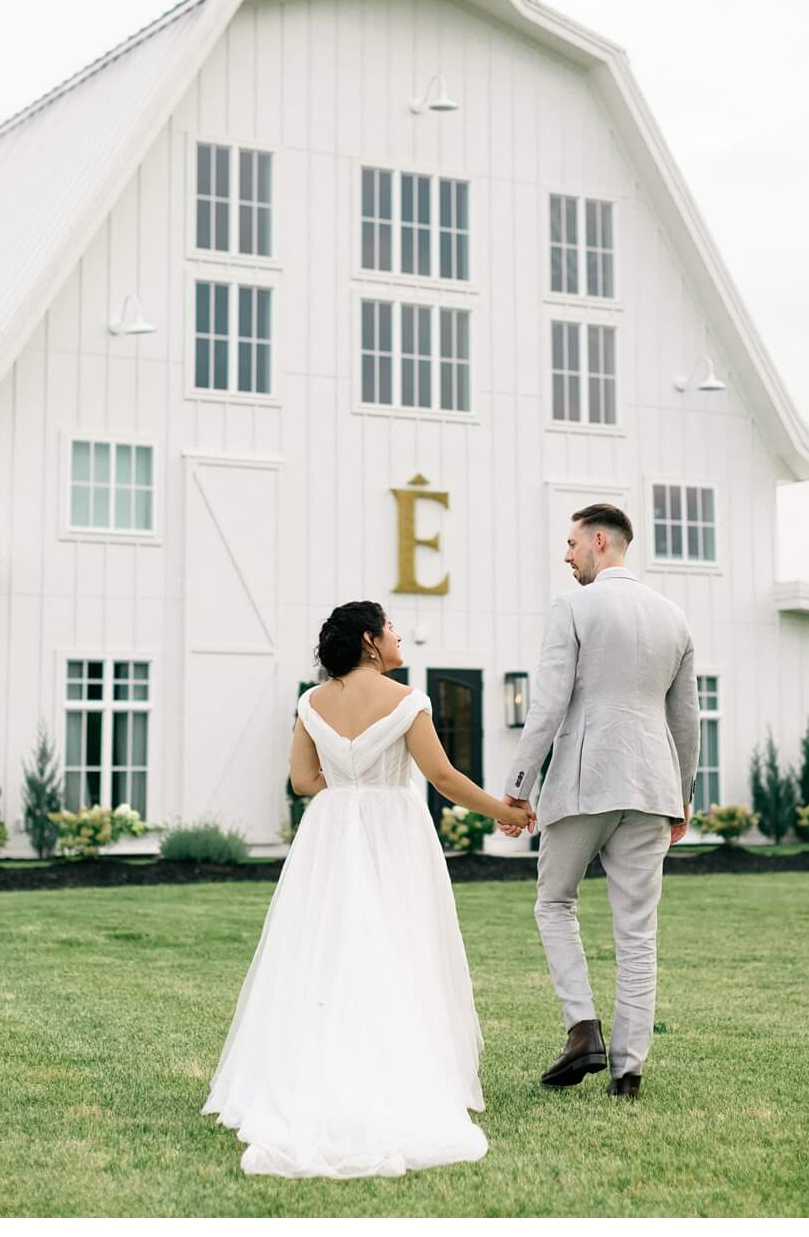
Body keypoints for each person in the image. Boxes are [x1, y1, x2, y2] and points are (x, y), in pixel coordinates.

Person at [202, 602, 529, 1178]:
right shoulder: (408, 701)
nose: (400, 636)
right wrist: (507, 811)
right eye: (393, 627)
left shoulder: (311, 702)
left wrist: (347, 780)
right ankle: (398, 1075)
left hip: (329, 835)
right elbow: (445, 778)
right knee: (400, 943)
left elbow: (303, 781)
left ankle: (318, 1072)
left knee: (327, 950)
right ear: (371, 642)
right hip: (393, 833)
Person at [502, 502, 699, 1100]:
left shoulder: (573, 607)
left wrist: (516, 787)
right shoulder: (674, 617)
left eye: (571, 544)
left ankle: (583, 1029)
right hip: (652, 786)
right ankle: (628, 1073)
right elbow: (686, 719)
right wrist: (682, 797)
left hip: (586, 780)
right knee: (638, 932)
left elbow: (548, 706)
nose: (566, 556)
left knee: (553, 903)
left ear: (601, 542)